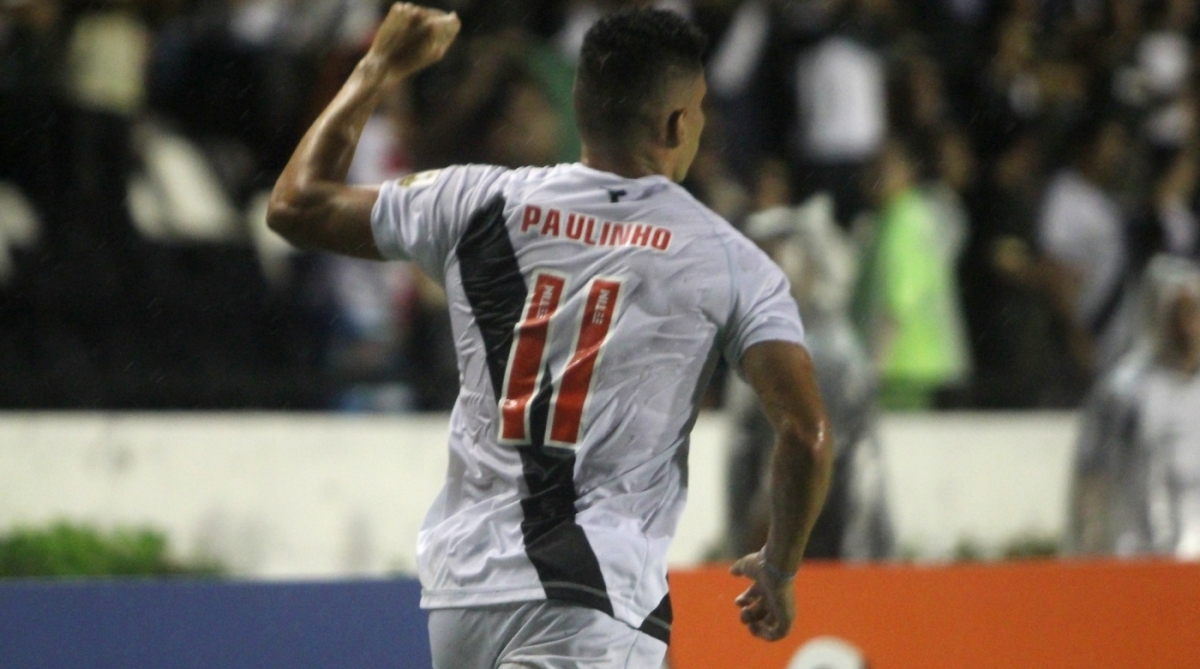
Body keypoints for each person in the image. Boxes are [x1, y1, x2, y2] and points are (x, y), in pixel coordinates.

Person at [266, 4, 833, 668]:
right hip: (589, 592)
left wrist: (377, 67)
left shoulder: (477, 199)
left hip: (463, 592)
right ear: (680, 121)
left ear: (582, 103)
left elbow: (295, 207)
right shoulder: (728, 259)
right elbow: (806, 433)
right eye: (701, 107)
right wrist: (781, 564)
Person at [1069, 255, 1200, 559]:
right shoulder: (1125, 391)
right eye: (1178, 313)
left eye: (1193, 311)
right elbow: (1093, 473)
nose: (1188, 327)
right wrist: (1091, 546)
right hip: (1136, 553)